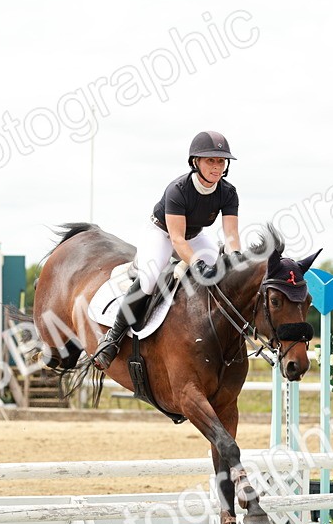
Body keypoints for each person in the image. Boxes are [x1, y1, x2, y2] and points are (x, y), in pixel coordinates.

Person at [92, 131, 242, 369]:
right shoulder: (178, 190)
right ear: (196, 162)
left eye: (221, 161)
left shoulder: (228, 192)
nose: (216, 167)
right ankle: (113, 338)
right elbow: (176, 239)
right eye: (210, 160)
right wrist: (196, 263)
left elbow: (231, 235)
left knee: (224, 274)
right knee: (150, 279)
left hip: (195, 236)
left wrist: (235, 257)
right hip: (162, 234)